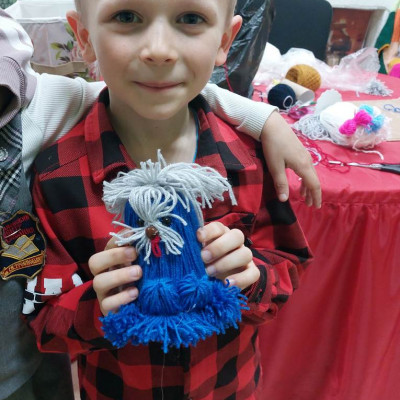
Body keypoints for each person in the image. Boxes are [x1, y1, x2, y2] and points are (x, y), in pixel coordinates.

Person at [21, 1, 312, 399]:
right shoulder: (56, 178)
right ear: (85, 39)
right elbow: (41, 318)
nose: (159, 50)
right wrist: (96, 307)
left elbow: (290, 263)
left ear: (224, 41)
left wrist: (253, 278)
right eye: (126, 17)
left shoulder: (251, 157)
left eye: (190, 18)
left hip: (227, 387)